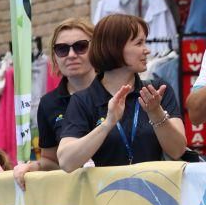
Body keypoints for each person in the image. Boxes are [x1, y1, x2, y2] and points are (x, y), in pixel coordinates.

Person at [58, 14, 185, 171]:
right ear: (114, 47)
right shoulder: (83, 100)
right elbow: (66, 162)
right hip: (106, 187)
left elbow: (177, 150)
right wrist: (108, 124)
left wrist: (156, 113)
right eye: (139, 43)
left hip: (155, 186)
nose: (147, 50)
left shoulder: (157, 90)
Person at [14, 18, 97, 189]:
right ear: (54, 56)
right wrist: (32, 167)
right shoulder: (48, 103)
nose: (71, 55)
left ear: (96, 49)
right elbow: (51, 161)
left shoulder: (115, 91)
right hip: (78, 194)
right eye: (62, 49)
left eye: (80, 46)